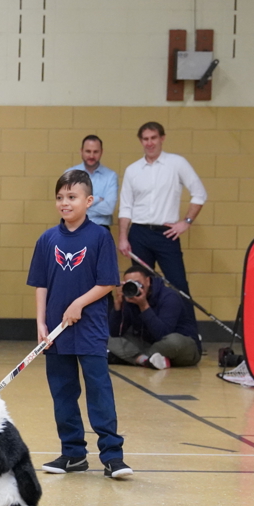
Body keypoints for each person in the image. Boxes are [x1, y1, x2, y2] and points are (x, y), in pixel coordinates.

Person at [29, 169, 130, 478]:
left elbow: (108, 282)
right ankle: (73, 454)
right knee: (63, 392)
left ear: (88, 201)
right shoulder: (47, 240)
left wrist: (78, 304)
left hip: (90, 330)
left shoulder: (100, 236)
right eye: (60, 197)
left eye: (71, 197)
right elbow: (41, 284)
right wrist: (41, 322)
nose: (65, 203)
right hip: (57, 334)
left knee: (99, 391)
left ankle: (112, 456)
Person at [117, 121, 207, 296]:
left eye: (153, 138)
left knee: (178, 284)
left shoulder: (177, 163)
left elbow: (200, 194)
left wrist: (186, 222)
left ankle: (186, 325)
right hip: (139, 234)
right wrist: (122, 237)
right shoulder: (132, 170)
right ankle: (142, 324)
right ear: (141, 141)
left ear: (162, 138)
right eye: (145, 139)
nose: (149, 143)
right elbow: (126, 207)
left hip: (166, 234)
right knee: (139, 285)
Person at [107, 264, 201, 368]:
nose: (134, 287)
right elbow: (115, 333)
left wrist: (144, 306)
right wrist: (118, 306)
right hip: (148, 344)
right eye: (130, 284)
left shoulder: (169, 297)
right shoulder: (130, 298)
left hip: (180, 348)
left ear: (148, 281)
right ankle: (146, 360)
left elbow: (163, 333)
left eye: (137, 283)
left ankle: (137, 357)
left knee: (173, 341)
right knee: (103, 336)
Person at [66, 135, 118, 228]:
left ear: (101, 152)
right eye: (88, 151)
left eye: (95, 152)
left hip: (101, 229)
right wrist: (97, 199)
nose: (91, 156)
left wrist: (81, 208)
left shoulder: (110, 176)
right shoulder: (70, 174)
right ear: (81, 151)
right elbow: (68, 206)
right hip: (74, 228)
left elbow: (109, 209)